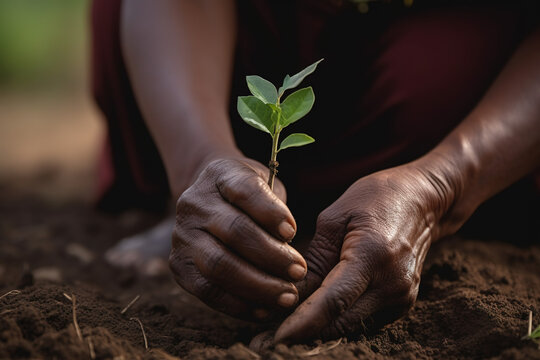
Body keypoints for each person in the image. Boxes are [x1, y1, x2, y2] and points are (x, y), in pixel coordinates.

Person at [91, 0, 540, 343]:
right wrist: (197, 161)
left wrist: (441, 186)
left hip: (447, 96)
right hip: (247, 46)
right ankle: (216, 202)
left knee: (438, 69)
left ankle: (423, 204)